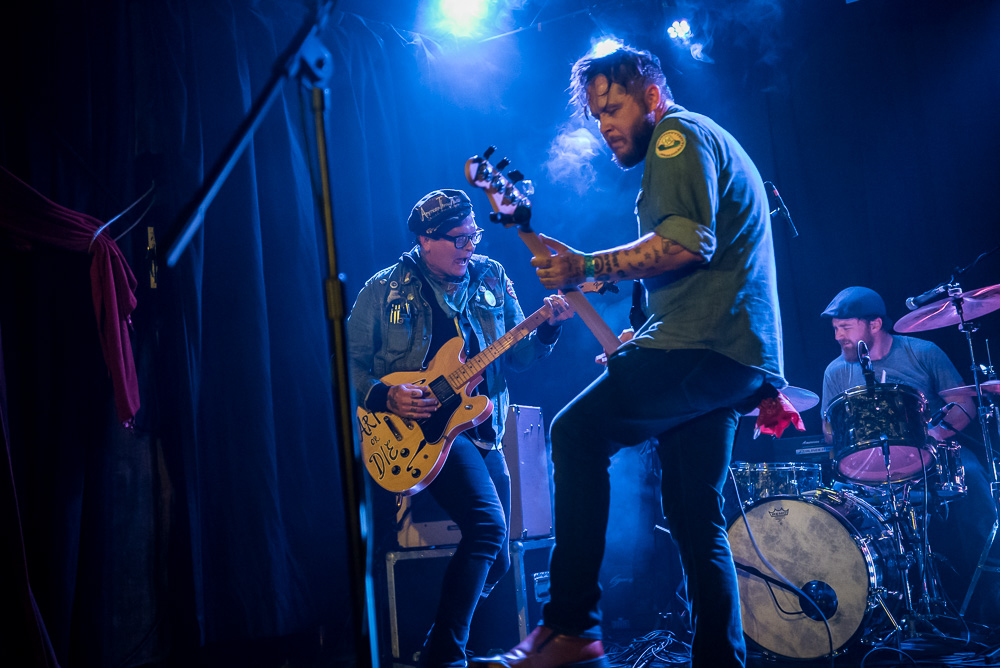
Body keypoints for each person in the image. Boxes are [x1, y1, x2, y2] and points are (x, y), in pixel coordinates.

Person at [473, 45, 785, 668]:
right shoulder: (696, 143)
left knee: (576, 432)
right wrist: (536, 235)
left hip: (704, 348)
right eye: (594, 116)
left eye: (613, 108)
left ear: (651, 95)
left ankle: (571, 630)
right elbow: (675, 268)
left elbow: (681, 245)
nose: (604, 125)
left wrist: (587, 265)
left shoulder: (675, 139)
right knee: (697, 518)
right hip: (727, 356)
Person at [347, 188, 573, 668]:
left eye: (474, 235)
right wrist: (386, 395)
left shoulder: (491, 276)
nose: (469, 246)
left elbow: (520, 355)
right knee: (489, 530)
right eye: (458, 238)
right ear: (426, 240)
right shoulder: (383, 290)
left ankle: (437, 642)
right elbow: (345, 362)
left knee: (501, 557)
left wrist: (549, 326)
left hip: (480, 425)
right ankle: (445, 657)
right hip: (420, 431)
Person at [819, 285, 1000, 625]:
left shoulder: (921, 351)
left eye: (845, 327)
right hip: (870, 467)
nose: (838, 336)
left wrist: (933, 434)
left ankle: (992, 600)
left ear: (874, 324)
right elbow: (830, 429)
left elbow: (963, 403)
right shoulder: (835, 371)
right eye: (835, 329)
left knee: (974, 480)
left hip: (937, 453)